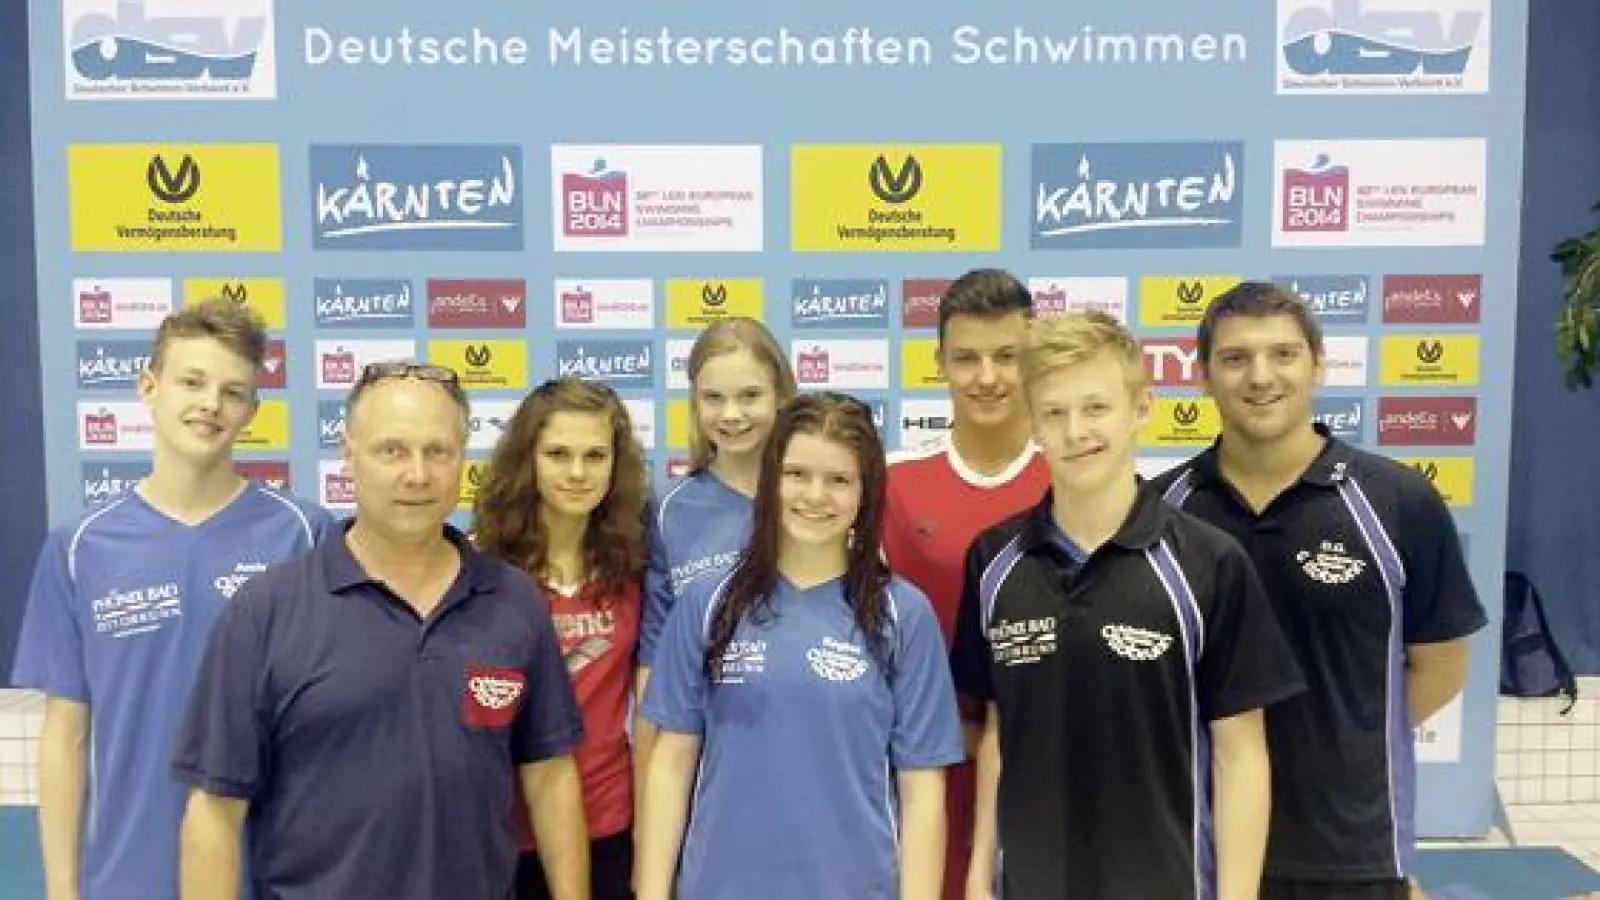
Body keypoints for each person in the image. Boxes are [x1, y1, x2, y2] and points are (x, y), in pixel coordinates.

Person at [171, 362, 590, 900]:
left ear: (463, 458)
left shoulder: (513, 602)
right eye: (391, 451)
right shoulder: (264, 613)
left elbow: (550, 775)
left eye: (438, 451)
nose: (417, 475)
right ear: (348, 453)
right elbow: (214, 810)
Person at [1150, 282, 1488, 900]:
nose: (1260, 376)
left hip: (1350, 850)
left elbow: (1441, 667)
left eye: (1283, 354)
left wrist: (1346, 738)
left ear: (1319, 365)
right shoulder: (1161, 512)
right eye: (1234, 358)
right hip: (1198, 843)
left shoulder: (1398, 501)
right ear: (1201, 376)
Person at [953, 311, 1307, 899]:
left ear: (1141, 408)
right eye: (1055, 414)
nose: (1076, 432)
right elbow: (997, 731)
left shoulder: (1208, 563)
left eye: (1095, 408)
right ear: (1033, 427)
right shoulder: (994, 561)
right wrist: (978, 876)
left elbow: (1240, 755)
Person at [9, 298, 333, 900]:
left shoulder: (305, 535)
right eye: (192, 382)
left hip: (276, 876)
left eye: (233, 391)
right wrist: (61, 890)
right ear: (148, 386)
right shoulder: (78, 548)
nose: (211, 404)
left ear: (252, 411)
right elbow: (66, 735)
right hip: (128, 880)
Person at [637, 392, 965, 900]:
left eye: (838, 480)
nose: (815, 495)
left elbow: (922, 790)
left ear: (865, 493)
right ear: (771, 481)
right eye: (797, 475)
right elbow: (671, 761)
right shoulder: (708, 603)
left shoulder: (904, 615)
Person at [881, 268, 1050, 900]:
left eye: (1008, 357)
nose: (987, 377)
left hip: (1043, 775)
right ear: (939, 363)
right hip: (924, 774)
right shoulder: (891, 485)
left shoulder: (1076, 483)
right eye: (967, 358)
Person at [474, 377, 650, 900]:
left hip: (609, 825)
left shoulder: (634, 566)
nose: (577, 473)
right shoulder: (482, 569)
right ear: (527, 458)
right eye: (557, 454)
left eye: (595, 456)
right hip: (504, 830)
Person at [632, 317, 797, 827]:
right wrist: (647, 810)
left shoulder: (822, 496)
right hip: (703, 771)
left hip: (809, 749)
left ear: (781, 397)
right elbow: (652, 667)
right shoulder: (669, 509)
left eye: (750, 395)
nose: (732, 415)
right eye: (714, 398)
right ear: (695, 403)